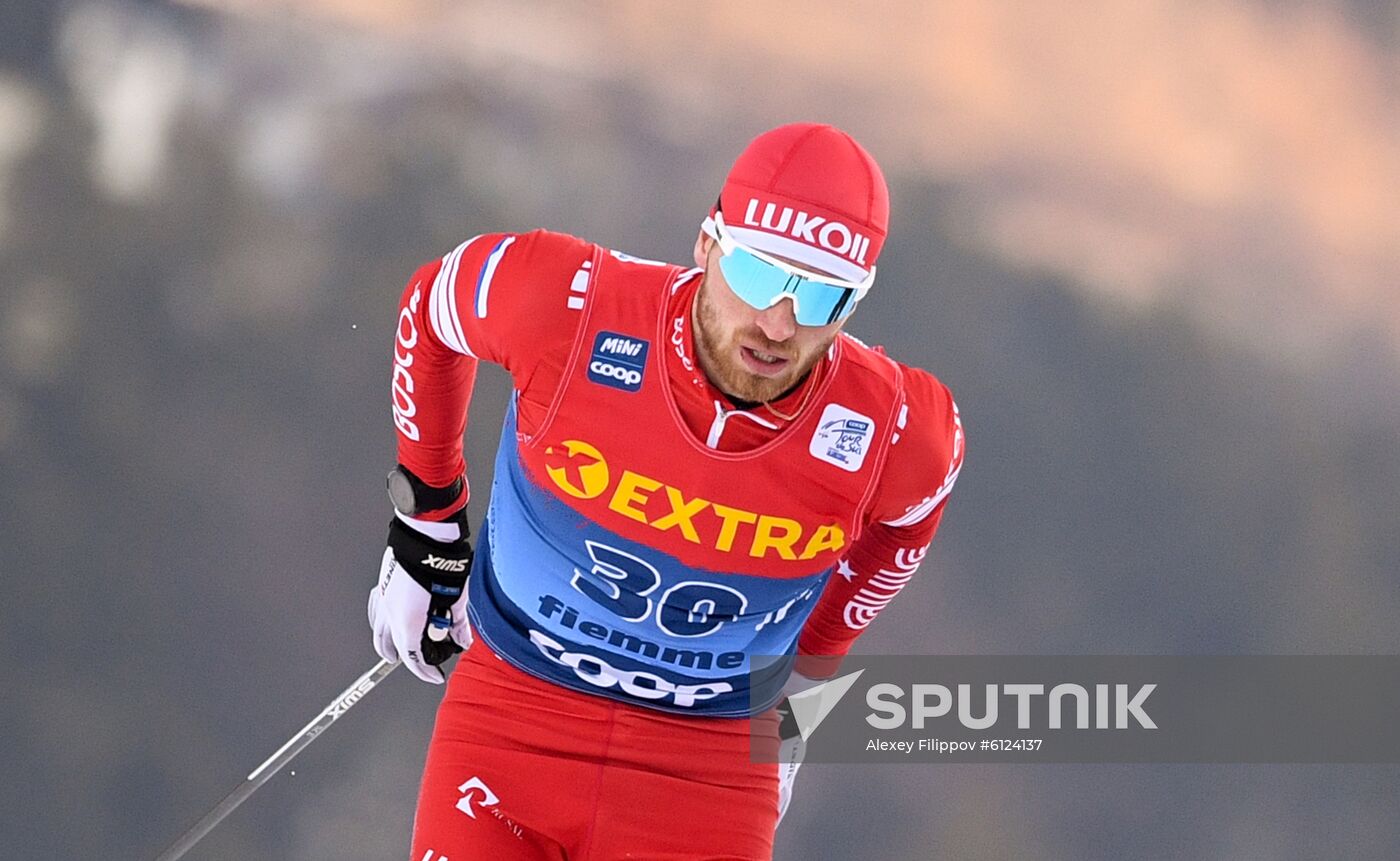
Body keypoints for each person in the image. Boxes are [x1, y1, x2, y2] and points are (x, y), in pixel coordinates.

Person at [369, 122, 964, 860]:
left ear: (854, 302)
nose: (778, 322)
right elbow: (432, 307)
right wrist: (428, 523)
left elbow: (912, 517)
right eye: (758, 274)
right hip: (515, 721)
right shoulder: (571, 304)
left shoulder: (893, 428)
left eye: (819, 295)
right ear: (708, 244)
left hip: (705, 777)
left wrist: (806, 693)